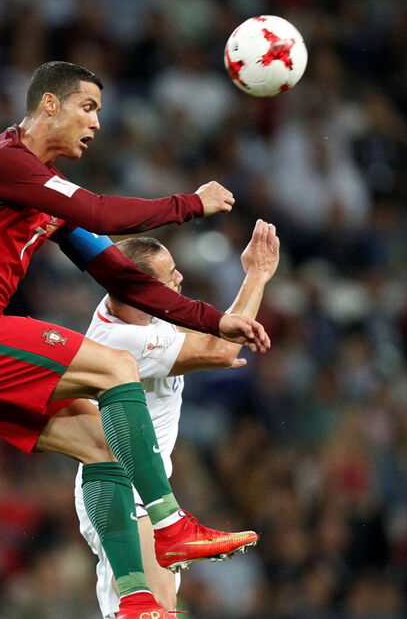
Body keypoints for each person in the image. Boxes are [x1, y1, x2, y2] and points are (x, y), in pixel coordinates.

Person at [0, 61, 270, 619]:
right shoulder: (1, 161)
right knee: (117, 368)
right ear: (49, 104)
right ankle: (170, 525)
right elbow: (98, 211)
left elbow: (120, 274)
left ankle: (135, 599)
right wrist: (190, 203)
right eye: (87, 107)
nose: (96, 122)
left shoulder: (44, 193)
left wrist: (214, 320)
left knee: (104, 447)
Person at [74, 220, 281, 618]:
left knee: (159, 608)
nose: (180, 278)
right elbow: (220, 349)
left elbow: (215, 342)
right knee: (148, 608)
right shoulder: (120, 340)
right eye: (170, 276)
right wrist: (257, 275)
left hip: (146, 490)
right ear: (141, 288)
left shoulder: (140, 311)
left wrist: (212, 348)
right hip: (119, 489)